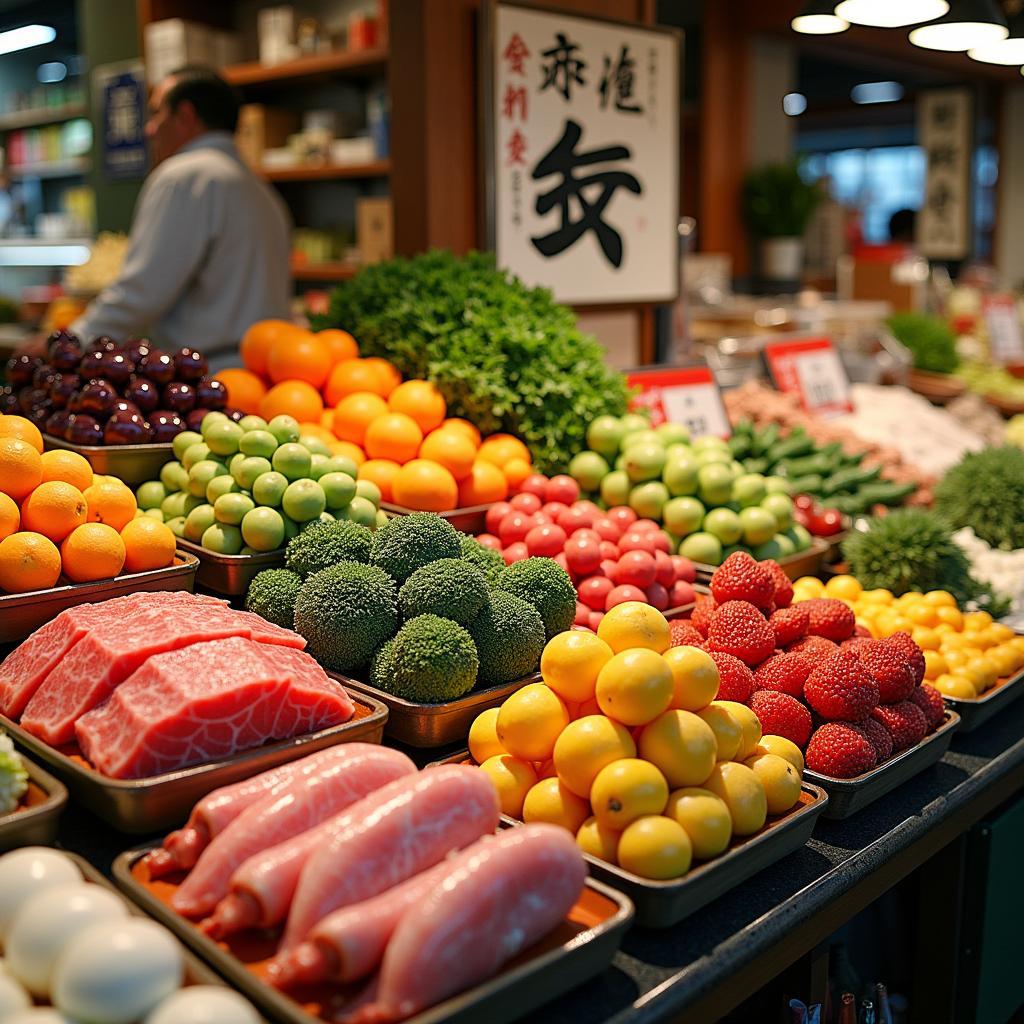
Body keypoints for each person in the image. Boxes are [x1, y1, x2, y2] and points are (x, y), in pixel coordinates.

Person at [66, 66, 291, 367]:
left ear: (185, 114)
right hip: (262, 371)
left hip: (202, 377)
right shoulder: (261, 188)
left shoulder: (184, 175)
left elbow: (143, 289)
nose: (149, 129)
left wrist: (73, 340)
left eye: (157, 113)